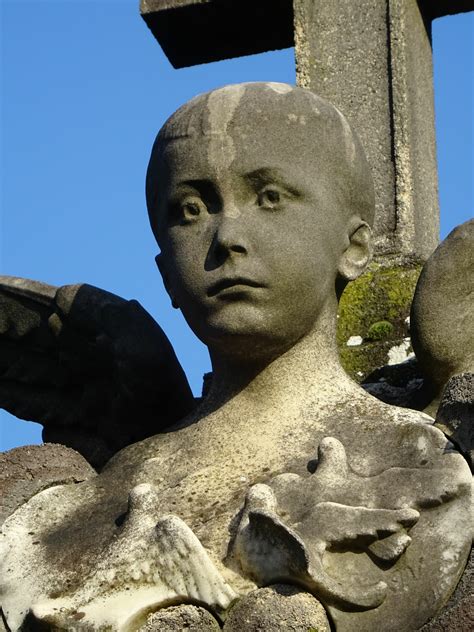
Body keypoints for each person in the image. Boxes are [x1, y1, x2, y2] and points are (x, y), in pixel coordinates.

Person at [0, 84, 471, 632]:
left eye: (269, 196)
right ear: (164, 274)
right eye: (190, 209)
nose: (226, 237)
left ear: (354, 247)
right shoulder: (87, 503)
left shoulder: (419, 459)